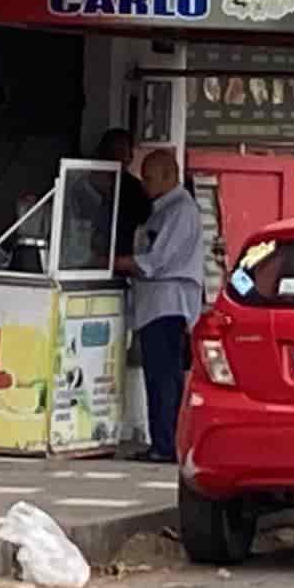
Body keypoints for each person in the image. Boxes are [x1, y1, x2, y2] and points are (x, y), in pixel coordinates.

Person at [114, 149, 204, 463]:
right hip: (153, 304)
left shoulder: (180, 210)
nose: (145, 184)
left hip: (168, 305)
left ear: (170, 175)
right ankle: (161, 441)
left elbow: (156, 261)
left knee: (165, 379)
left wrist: (118, 263)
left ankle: (166, 445)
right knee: (157, 377)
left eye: (150, 178)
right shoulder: (160, 210)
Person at [96, 128, 152, 260]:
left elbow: (147, 222)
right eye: (112, 151)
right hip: (88, 259)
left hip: (122, 260)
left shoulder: (136, 189)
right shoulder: (87, 182)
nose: (117, 157)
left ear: (130, 157)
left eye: (122, 151)